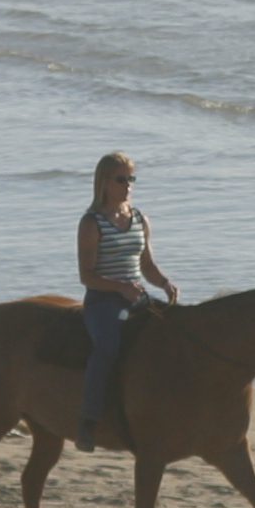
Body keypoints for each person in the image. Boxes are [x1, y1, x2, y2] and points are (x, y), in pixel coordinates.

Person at [76, 150, 179, 452]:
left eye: (131, 178)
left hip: (136, 296)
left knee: (174, 334)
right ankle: (89, 419)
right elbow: (87, 276)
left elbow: (146, 265)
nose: (128, 185)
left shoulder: (139, 219)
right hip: (103, 301)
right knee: (107, 347)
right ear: (104, 183)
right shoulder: (91, 223)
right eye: (121, 179)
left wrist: (163, 283)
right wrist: (120, 288)